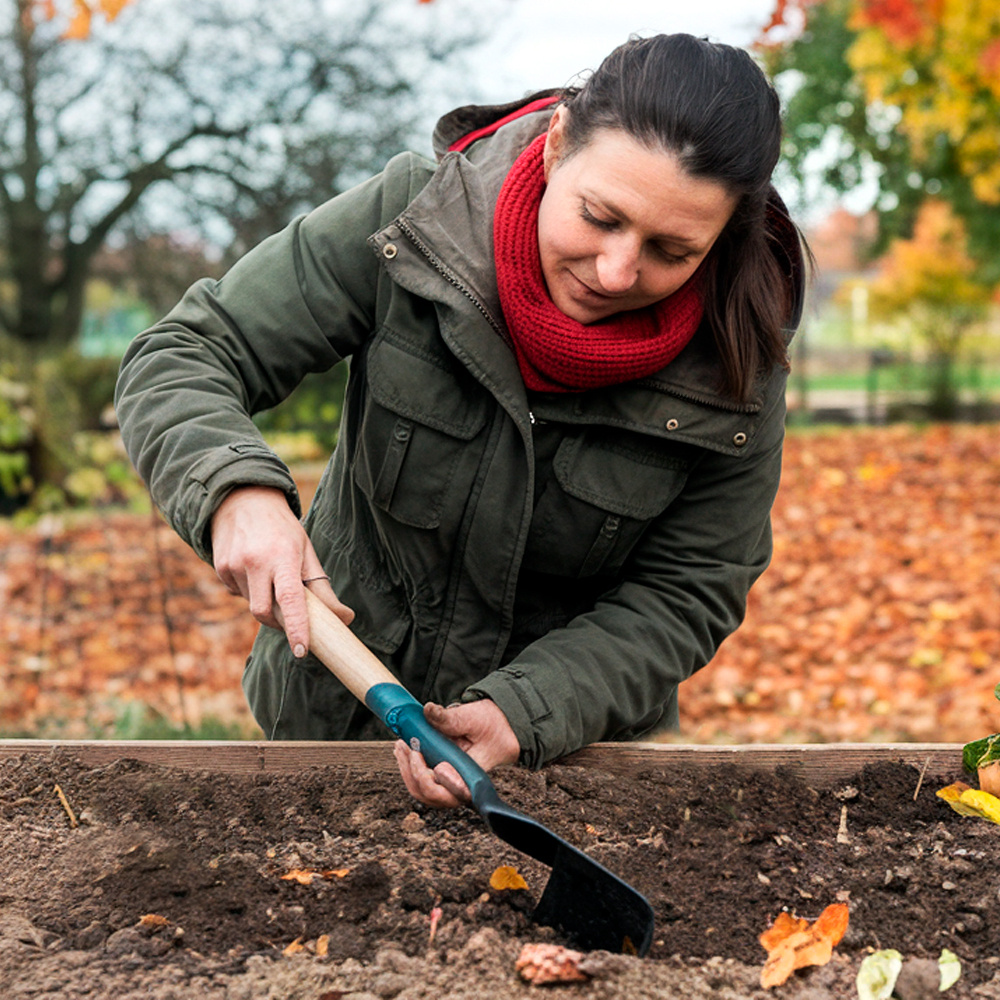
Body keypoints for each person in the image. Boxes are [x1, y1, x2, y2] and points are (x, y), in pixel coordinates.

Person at [115, 33, 807, 809]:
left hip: (567, 768)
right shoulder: (409, 223)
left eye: (672, 250)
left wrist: (529, 708)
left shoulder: (739, 359)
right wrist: (234, 493)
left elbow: (692, 587)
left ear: (721, 241)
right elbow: (187, 351)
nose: (617, 271)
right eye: (599, 216)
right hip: (330, 736)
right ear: (554, 148)